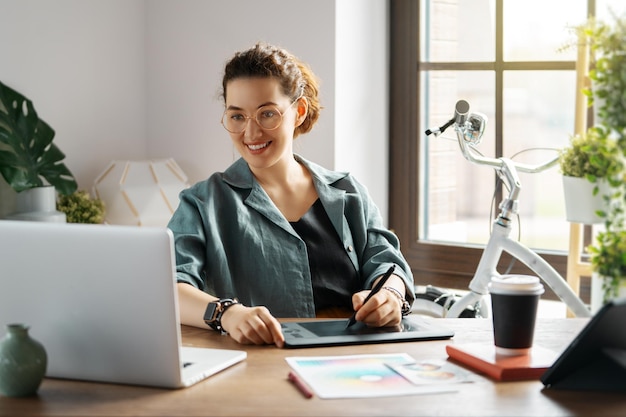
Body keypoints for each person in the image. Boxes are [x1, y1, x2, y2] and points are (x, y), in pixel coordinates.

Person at [168, 42, 414, 348]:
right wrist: (226, 313)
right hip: (262, 364)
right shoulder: (203, 203)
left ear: (298, 112)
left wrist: (390, 294)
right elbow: (170, 287)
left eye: (267, 113)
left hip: (354, 359)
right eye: (237, 117)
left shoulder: (348, 192)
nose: (251, 133)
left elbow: (386, 263)